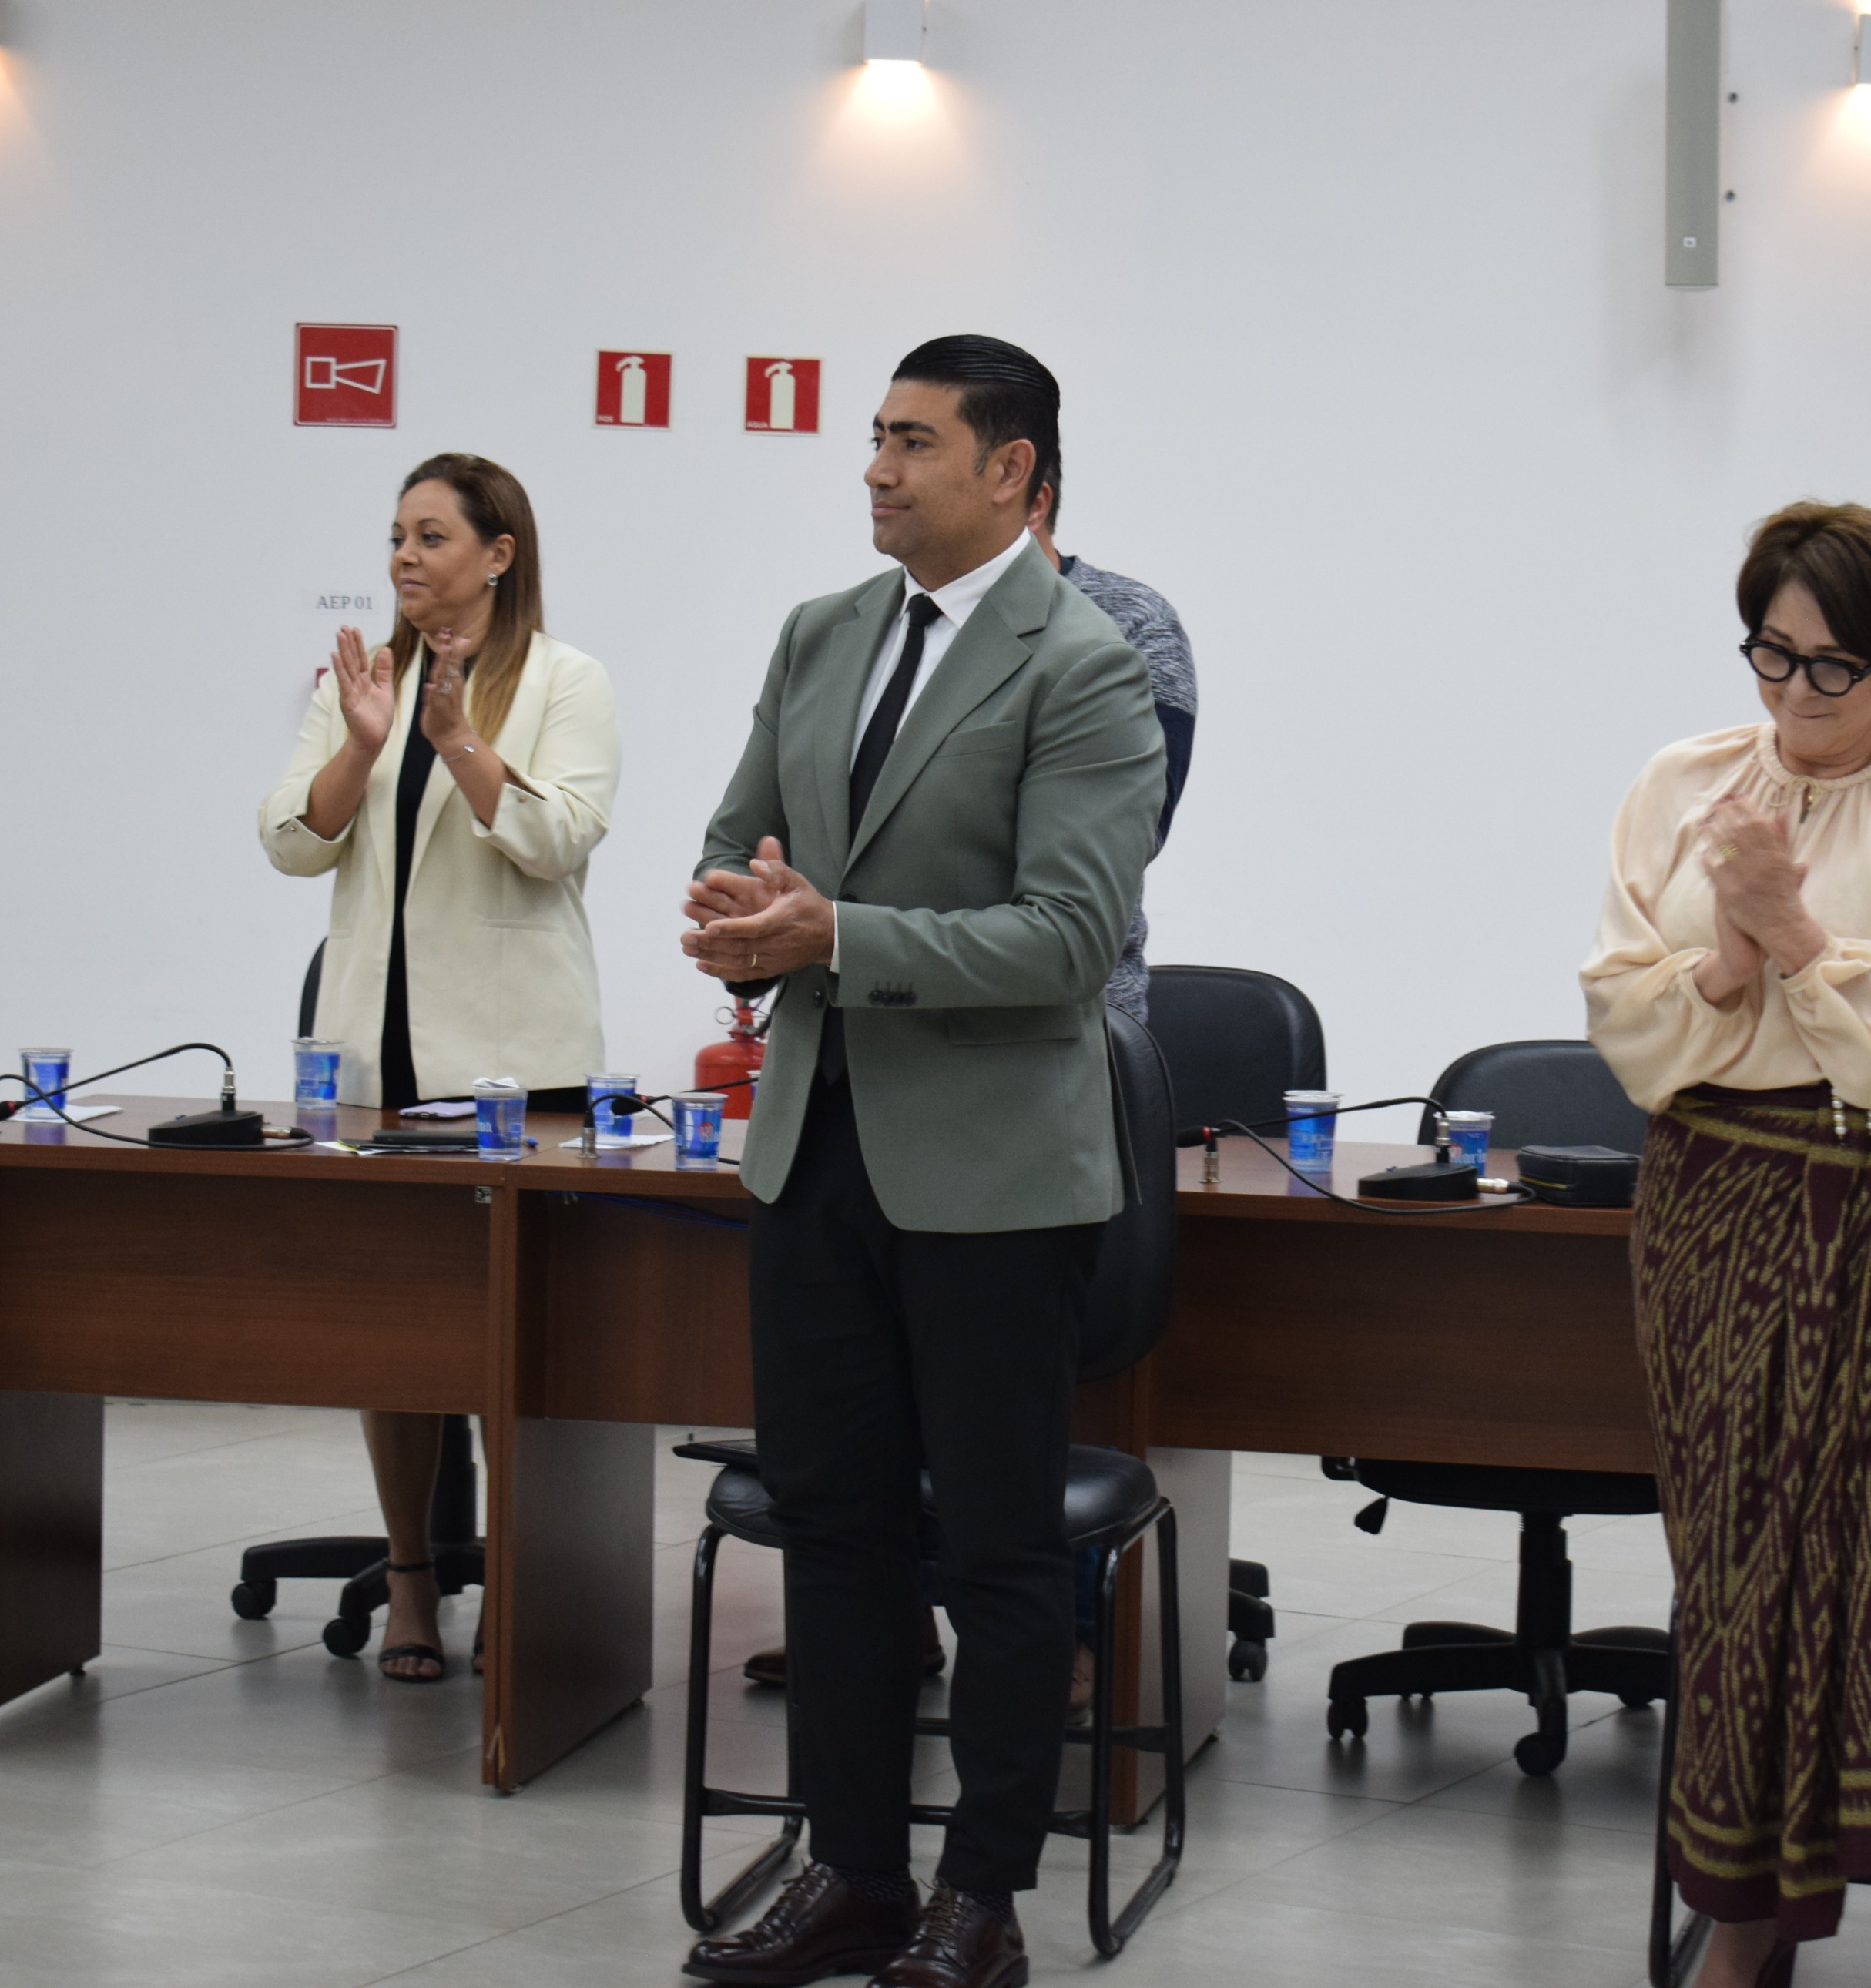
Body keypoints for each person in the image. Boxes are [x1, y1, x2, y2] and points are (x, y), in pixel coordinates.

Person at [678, 336, 1164, 1988]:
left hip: (991, 1177)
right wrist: (738, 917)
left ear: (1012, 470)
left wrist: (834, 934)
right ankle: (853, 1873)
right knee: (836, 1529)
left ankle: (982, 1901)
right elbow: (736, 835)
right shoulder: (822, 633)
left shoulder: (1083, 664)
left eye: (913, 442)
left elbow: (1070, 936)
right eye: (874, 439)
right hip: (812, 1149)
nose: (876, 469)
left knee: (1000, 1551)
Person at [1581, 503, 1871, 1988]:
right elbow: (1626, 1020)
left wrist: (1794, 932)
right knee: (1739, 1563)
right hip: (1714, 1200)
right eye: (1772, 653)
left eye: (1832, 667)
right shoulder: (1683, 782)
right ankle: (1743, 1914)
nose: (1794, 693)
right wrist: (1725, 957)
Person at [258, 453, 619, 1684]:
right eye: (396, 537)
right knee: (401, 1338)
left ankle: (526, 1582)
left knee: (524, 1338)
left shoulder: (567, 681)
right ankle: (411, 1579)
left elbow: (558, 841)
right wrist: (363, 746)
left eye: (430, 536)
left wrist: (461, 743)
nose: (404, 558)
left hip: (521, 1072)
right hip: (377, 1069)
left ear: (498, 552)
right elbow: (291, 841)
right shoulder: (362, 680)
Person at [1027, 470, 1196, 1022]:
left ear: (1031, 500)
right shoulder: (881, 626)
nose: (880, 476)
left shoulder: (1130, 620)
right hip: (887, 1007)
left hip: (1076, 1017)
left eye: (920, 446)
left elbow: (1132, 830)